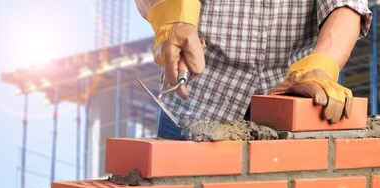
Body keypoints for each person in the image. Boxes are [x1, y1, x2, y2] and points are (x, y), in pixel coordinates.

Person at [135, 0, 373, 139]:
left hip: (292, 99)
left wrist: (322, 64)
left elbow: (347, 4)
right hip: (198, 101)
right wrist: (173, 21)